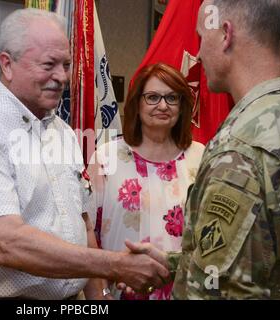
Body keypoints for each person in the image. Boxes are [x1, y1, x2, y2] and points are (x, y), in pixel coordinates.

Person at [0, 8, 170, 300]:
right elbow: (6, 243)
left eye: (67, 64)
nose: (61, 77)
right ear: (7, 65)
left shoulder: (63, 131)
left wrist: (98, 297)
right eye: (49, 64)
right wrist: (116, 265)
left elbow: (82, 224)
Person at [168, 0, 280, 299]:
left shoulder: (240, 147)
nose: (197, 53)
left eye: (201, 37)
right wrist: (175, 265)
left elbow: (219, 289)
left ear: (225, 34)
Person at [87, 63, 204, 300]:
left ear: (182, 106)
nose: (163, 105)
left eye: (172, 98)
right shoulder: (105, 157)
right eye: (152, 97)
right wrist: (99, 295)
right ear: (136, 103)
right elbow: (88, 236)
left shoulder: (201, 157)